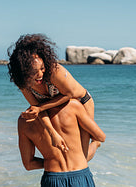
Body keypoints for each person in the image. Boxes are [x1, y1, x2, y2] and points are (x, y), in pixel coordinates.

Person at [7, 33, 101, 161]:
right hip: (57, 107)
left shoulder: (54, 71)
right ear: (24, 72)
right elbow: (37, 108)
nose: (40, 74)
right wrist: (52, 133)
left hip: (81, 102)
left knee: (82, 157)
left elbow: (68, 94)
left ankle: (95, 143)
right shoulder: (24, 84)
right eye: (34, 72)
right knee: (67, 155)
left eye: (42, 68)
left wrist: (39, 108)